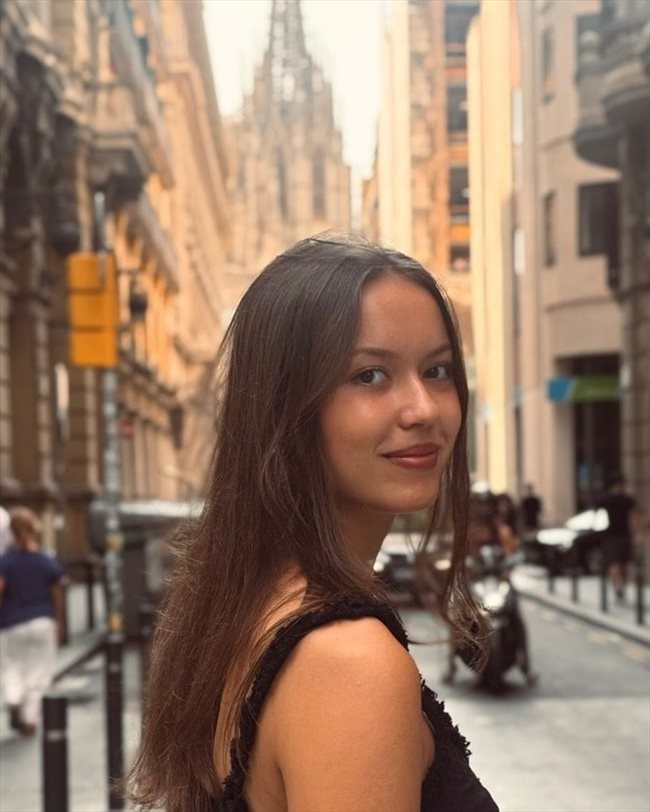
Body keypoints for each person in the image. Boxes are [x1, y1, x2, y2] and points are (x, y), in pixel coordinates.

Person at [129, 235, 498, 811]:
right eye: (370, 376)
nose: (423, 409)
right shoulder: (347, 663)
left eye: (438, 370)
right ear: (286, 406)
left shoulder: (249, 602)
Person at [0, 507, 65, 735]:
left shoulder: (5, 562)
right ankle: (29, 719)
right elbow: (57, 594)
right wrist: (59, 623)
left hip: (12, 622)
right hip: (42, 621)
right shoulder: (46, 560)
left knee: (12, 665)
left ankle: (14, 698)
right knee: (39, 671)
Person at [598, 473, 640, 602]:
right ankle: (618, 587)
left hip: (618, 536)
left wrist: (636, 534)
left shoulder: (622, 500)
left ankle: (619, 587)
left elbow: (633, 517)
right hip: (616, 536)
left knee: (620, 564)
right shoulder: (612, 500)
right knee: (617, 563)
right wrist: (637, 534)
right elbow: (634, 518)